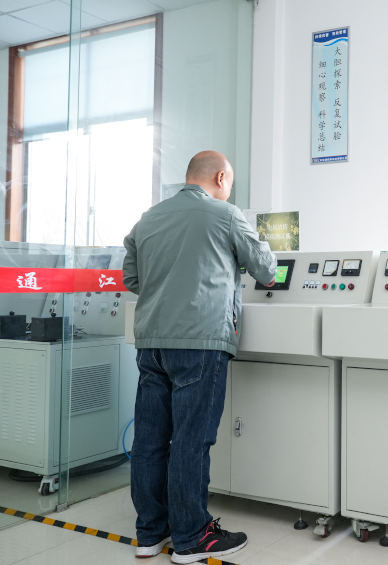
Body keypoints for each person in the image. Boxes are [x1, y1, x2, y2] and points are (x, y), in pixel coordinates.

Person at [123, 151, 276, 563]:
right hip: (201, 342)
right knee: (191, 440)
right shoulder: (225, 215)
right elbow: (266, 269)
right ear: (221, 178)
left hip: (151, 343)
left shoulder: (148, 219)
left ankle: (150, 533)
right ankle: (192, 537)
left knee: (151, 440)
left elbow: (132, 278)